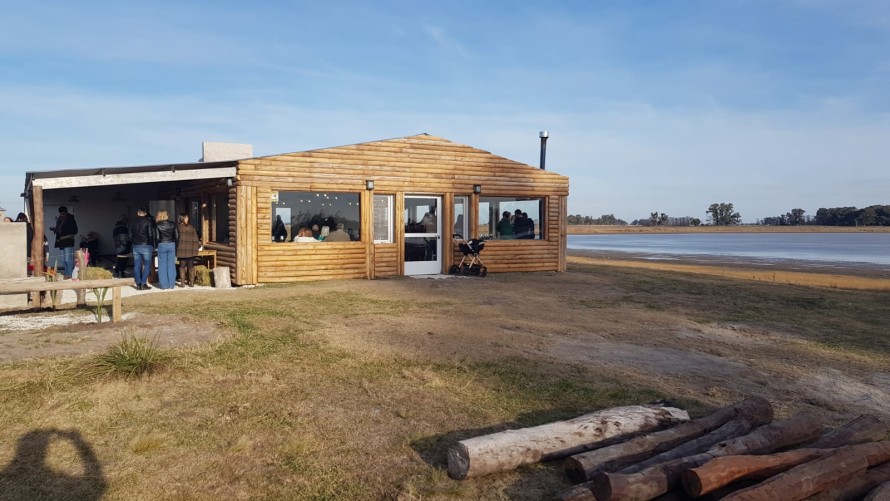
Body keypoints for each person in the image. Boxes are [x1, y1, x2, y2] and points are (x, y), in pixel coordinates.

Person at [128, 207, 155, 290]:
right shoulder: (148, 221)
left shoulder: (131, 222)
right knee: (147, 265)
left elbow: (129, 235)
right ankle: (143, 283)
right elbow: (150, 235)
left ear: (138, 213)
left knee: (137, 265)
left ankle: (138, 283)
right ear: (145, 213)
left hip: (136, 245)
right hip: (146, 244)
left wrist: (134, 241)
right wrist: (152, 245)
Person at [50, 206, 78, 278]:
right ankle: (67, 273)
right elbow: (59, 230)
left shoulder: (70, 219)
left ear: (65, 212)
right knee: (63, 259)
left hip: (68, 240)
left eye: (63, 213)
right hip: (61, 241)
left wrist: (63, 231)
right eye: (61, 213)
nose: (62, 214)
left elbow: (75, 230)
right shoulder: (59, 219)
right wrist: (55, 229)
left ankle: (69, 274)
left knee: (67, 258)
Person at [154, 210, 178, 290]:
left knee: (162, 265)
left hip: (162, 244)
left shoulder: (157, 225)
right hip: (171, 244)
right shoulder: (173, 224)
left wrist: (156, 246)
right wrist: (176, 245)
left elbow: (157, 237)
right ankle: (171, 284)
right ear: (166, 215)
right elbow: (177, 236)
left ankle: (164, 285)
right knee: (171, 265)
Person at [176, 212, 200, 287]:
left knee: (182, 266)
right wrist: (196, 248)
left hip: (181, 249)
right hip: (191, 250)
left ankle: (183, 283)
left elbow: (176, 239)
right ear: (183, 218)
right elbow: (196, 240)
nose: (188, 219)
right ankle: (192, 283)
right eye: (186, 217)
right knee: (191, 265)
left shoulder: (178, 228)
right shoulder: (192, 228)